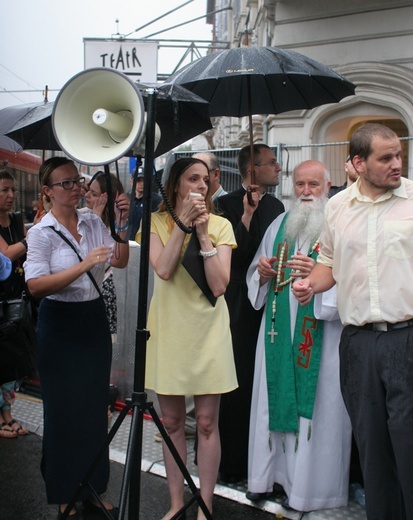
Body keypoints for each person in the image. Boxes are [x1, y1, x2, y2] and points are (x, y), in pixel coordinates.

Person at [293, 123, 413, 520]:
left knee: (409, 446)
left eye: (399, 155)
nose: (397, 164)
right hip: (359, 344)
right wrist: (311, 283)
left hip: (407, 340)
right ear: (358, 163)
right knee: (373, 448)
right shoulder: (338, 207)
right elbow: (330, 262)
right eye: (386, 158)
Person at [24, 157, 129, 519]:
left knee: (92, 409)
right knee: (62, 412)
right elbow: (36, 286)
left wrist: (121, 226)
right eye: (65, 183)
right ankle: (64, 493)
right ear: (47, 191)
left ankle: (92, 489)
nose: (75, 188)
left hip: (92, 320)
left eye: (77, 181)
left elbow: (120, 260)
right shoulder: (41, 232)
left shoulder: (92, 220)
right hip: (59, 325)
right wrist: (83, 265)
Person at [246, 160, 352, 511]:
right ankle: (267, 479)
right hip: (276, 332)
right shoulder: (280, 224)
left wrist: (321, 278)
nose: (306, 192)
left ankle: (308, 489)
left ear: (328, 185)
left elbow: (353, 281)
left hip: (321, 333)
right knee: (270, 401)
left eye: (314, 185)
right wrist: (262, 273)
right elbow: (257, 277)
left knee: (316, 410)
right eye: (300, 184)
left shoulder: (340, 225)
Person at [137, 157, 237, 520]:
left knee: (208, 422)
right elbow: (163, 270)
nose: (201, 185)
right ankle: (177, 502)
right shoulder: (155, 223)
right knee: (173, 422)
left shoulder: (223, 224)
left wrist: (205, 232)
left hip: (209, 331)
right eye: (191, 179)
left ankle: (205, 503)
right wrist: (181, 222)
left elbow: (219, 284)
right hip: (170, 330)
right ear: (175, 185)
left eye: (205, 179)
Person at [214, 144, 285, 483]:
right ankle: (231, 463)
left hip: (268, 302)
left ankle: (263, 462)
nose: (279, 167)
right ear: (252, 169)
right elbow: (230, 258)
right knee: (237, 382)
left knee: (263, 383)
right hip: (237, 303)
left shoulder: (277, 206)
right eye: (272, 163)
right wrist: (244, 215)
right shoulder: (224, 204)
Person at [0, 170, 30, 438]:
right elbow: (7, 255)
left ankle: (7, 414)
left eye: (13, 190)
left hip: (15, 298)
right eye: (4, 190)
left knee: (11, 359)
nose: (10, 195)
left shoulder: (18, 220)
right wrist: (30, 238)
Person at [84, 171, 128, 335]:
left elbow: (118, 260)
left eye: (93, 193)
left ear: (107, 198)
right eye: (88, 190)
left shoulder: (116, 225)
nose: (87, 195)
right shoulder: (80, 215)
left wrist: (122, 221)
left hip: (103, 289)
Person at [129, 167, 162, 240]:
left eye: (144, 180)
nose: (142, 184)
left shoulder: (155, 200)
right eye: (138, 180)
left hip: (146, 243)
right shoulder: (128, 199)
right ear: (131, 181)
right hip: (129, 242)